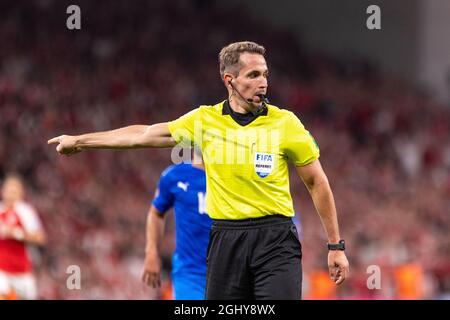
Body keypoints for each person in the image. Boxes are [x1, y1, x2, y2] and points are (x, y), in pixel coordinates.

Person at [48, 41, 349, 299]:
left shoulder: (286, 123)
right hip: (224, 240)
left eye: (265, 74)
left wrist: (335, 245)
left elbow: (316, 182)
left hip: (275, 238)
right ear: (230, 80)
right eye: (253, 75)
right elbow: (144, 135)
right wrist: (82, 141)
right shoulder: (205, 121)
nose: (263, 82)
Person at [141, 151, 212, 299]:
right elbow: (156, 213)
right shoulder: (174, 176)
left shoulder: (232, 177)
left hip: (229, 273)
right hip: (190, 274)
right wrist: (152, 252)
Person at [0, 174, 46, 300]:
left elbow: (40, 238)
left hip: (22, 271)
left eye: (14, 190)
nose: (10, 193)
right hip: (2, 270)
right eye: (8, 189)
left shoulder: (26, 212)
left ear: (20, 193)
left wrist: (17, 233)